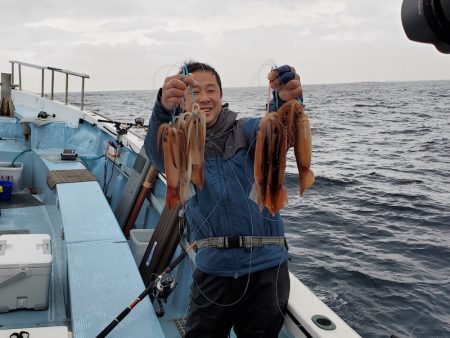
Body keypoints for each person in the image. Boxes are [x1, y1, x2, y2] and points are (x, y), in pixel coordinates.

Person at [144, 61, 303, 337]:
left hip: (267, 270)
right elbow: (157, 153)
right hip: (213, 270)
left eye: (211, 90)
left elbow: (281, 133)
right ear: (181, 99)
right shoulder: (180, 141)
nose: (204, 98)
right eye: (194, 91)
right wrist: (161, 109)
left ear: (221, 94)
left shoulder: (248, 130)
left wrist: (288, 100)